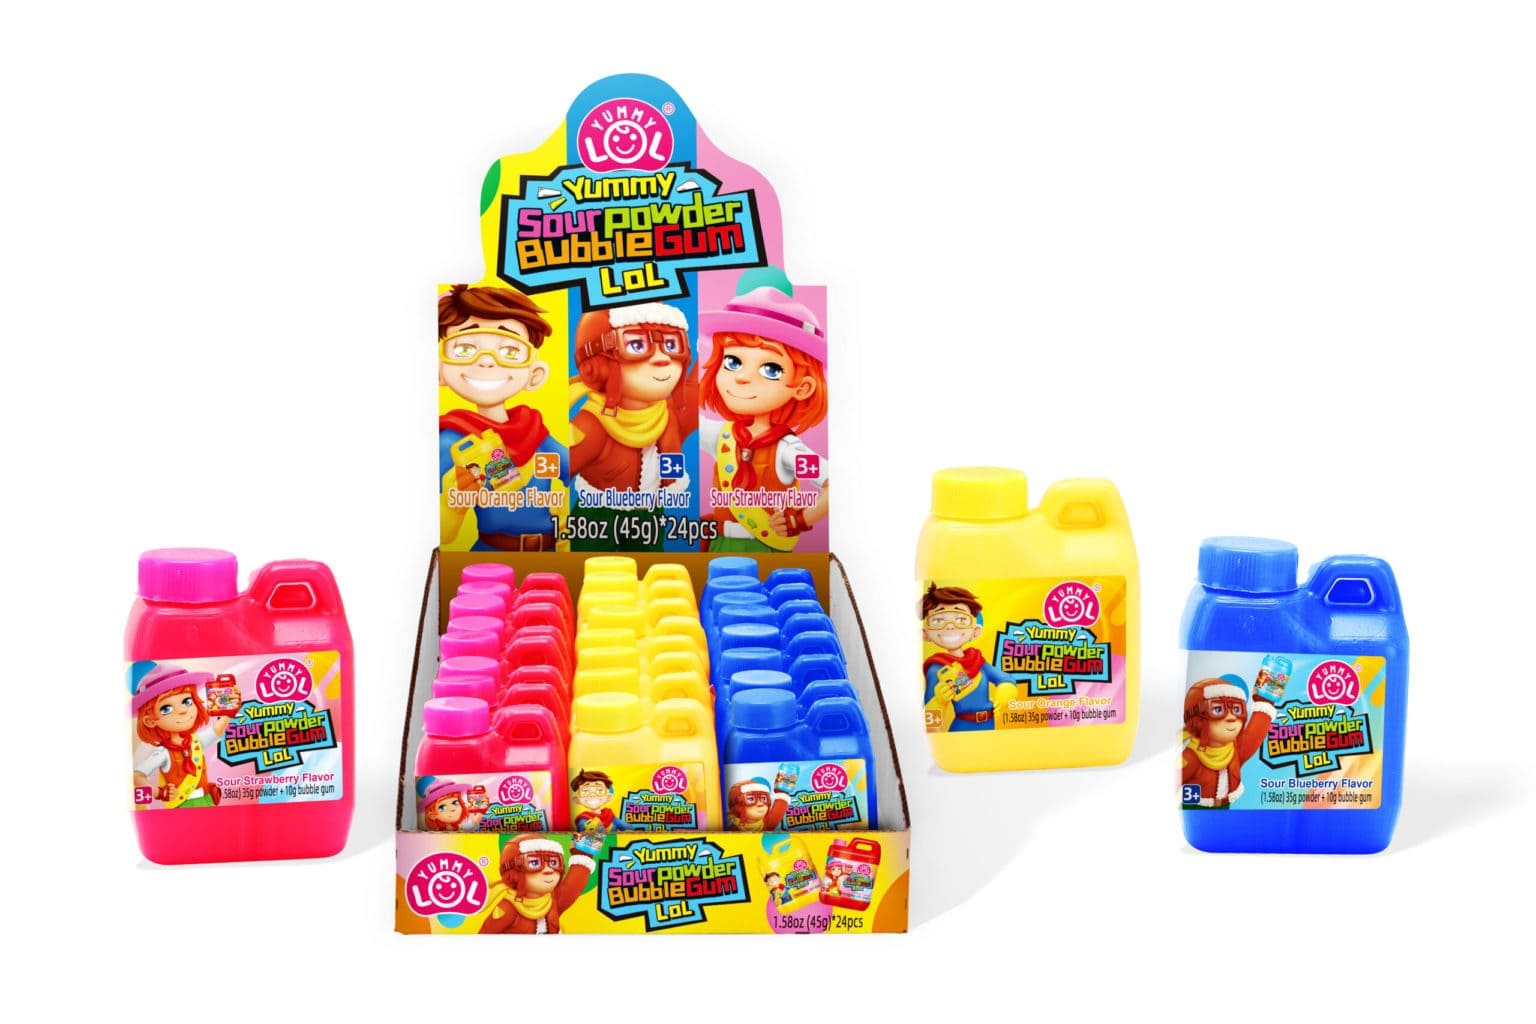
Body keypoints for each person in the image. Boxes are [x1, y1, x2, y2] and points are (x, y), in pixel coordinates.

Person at [699, 270, 828, 552]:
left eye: (771, 369)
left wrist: (799, 520)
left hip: (766, 550)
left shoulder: (788, 450)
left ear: (803, 387)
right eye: (732, 362)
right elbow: (684, 420)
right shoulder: (720, 436)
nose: (742, 377)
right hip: (720, 544)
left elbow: (833, 483)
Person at [438, 284, 566, 551]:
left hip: (550, 552)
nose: (487, 362)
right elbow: (441, 535)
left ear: (535, 374)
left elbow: (574, 470)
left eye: (509, 351)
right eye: (464, 349)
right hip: (489, 556)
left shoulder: (535, 432)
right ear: (439, 370)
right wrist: (452, 504)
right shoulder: (450, 441)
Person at [568, 303, 697, 550]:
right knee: (590, 567)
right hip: (599, 515)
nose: (662, 358)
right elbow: (554, 469)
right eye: (637, 345)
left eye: (671, 345)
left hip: (649, 513)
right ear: (596, 365)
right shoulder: (593, 424)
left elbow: (697, 387)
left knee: (649, 567)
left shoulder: (670, 414)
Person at [131, 665, 236, 808]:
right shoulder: (163, 753)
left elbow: (216, 731)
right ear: (150, 721)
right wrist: (160, 793)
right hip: (182, 805)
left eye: (187, 702)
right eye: (166, 709)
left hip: (206, 800)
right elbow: (137, 775)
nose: (182, 711)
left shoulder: (196, 742)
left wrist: (229, 711)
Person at [920, 584, 1012, 732]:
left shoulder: (978, 661)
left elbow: (1006, 679)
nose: (950, 627)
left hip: (990, 725)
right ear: (925, 633)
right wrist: (938, 701)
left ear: (975, 631)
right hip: (962, 728)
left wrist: (1005, 694)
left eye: (961, 620)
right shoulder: (937, 668)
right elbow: (929, 723)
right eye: (938, 621)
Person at [1181, 675, 1278, 808]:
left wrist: (1265, 700)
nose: (1232, 717)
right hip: (1193, 808)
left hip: (1224, 807)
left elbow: (1256, 731)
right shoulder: (1191, 757)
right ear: (1197, 720)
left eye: (1237, 709)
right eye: (1218, 709)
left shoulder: (1235, 750)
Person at [478, 836, 595, 935]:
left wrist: (583, 851)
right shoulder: (507, 908)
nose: (549, 870)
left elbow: (573, 885)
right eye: (534, 863)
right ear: (514, 872)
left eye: (554, 862)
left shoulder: (551, 900)